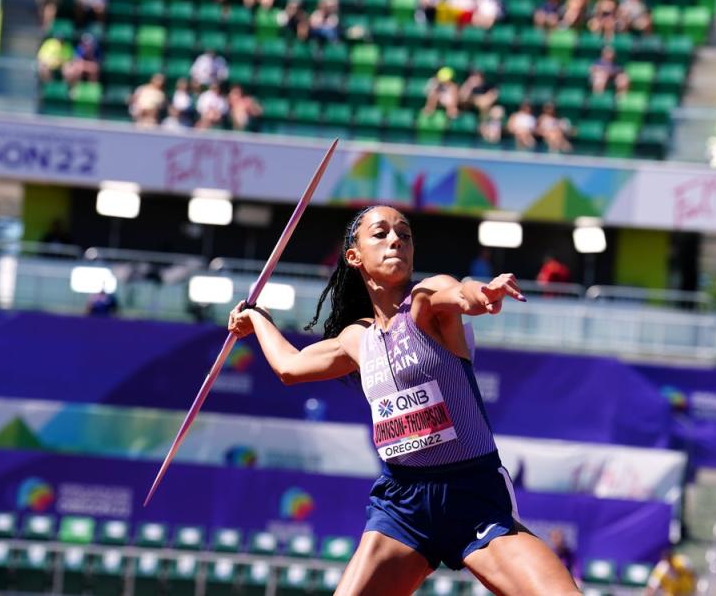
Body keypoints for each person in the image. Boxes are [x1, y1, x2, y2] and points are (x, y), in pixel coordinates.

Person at [227, 206, 580, 596]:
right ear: (354, 256)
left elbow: (461, 293)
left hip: (473, 495)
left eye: (405, 234)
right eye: (380, 233)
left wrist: (484, 293)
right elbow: (290, 367)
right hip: (403, 506)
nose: (396, 239)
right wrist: (256, 318)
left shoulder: (425, 303)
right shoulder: (357, 340)